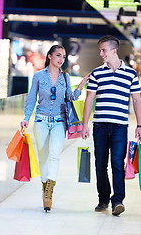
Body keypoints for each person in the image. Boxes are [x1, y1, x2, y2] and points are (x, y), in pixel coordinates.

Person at [20, 44, 89, 212]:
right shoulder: (38, 76)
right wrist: (26, 118)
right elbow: (31, 99)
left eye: (63, 57)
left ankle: (49, 191)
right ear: (50, 56)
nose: (61, 59)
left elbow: (69, 98)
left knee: (55, 156)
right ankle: (45, 188)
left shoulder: (64, 78)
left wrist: (80, 87)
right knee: (43, 157)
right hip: (41, 121)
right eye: (58, 55)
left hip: (60, 121)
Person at [81, 35, 141, 216]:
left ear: (114, 50)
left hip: (119, 127)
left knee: (117, 163)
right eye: (100, 50)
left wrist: (140, 125)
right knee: (100, 164)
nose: (101, 54)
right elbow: (89, 98)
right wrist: (85, 124)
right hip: (100, 125)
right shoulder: (97, 73)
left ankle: (118, 201)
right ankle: (103, 199)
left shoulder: (131, 74)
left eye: (104, 50)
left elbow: (137, 100)